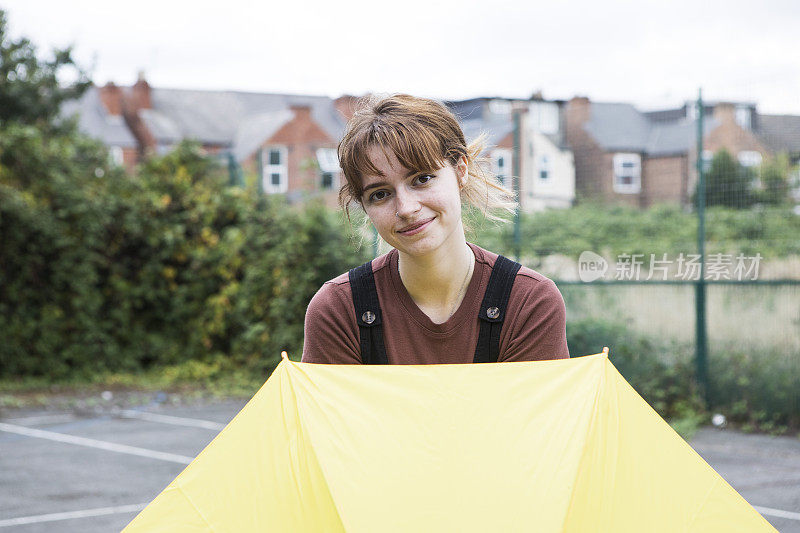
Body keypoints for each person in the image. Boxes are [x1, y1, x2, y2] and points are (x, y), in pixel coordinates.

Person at [301, 94, 569, 365]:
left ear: (461, 170)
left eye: (422, 179)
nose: (406, 208)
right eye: (380, 194)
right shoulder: (338, 310)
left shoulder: (529, 302)